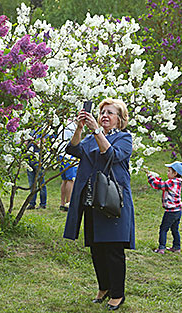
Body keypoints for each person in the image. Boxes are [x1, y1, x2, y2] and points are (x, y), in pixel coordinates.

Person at [63, 98, 135, 310]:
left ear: (119, 119)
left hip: (114, 201)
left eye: (110, 113)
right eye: (102, 112)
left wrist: (96, 131)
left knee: (113, 249)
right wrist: (79, 127)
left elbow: (112, 154)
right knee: (96, 248)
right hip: (92, 199)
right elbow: (74, 149)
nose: (104, 115)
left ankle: (118, 294)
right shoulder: (91, 138)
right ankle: (104, 287)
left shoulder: (124, 137)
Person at [146, 161, 182, 254]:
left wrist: (150, 177)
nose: (167, 173)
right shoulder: (177, 182)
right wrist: (157, 178)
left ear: (175, 173)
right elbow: (163, 183)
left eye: (169, 171)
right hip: (178, 211)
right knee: (175, 229)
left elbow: (158, 185)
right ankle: (177, 247)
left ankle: (161, 248)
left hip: (170, 212)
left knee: (163, 229)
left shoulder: (171, 183)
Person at [57, 121, 78, 212]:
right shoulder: (72, 126)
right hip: (69, 156)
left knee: (65, 180)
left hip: (60, 155)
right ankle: (68, 203)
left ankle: (62, 203)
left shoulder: (64, 124)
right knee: (70, 180)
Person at [26, 128, 47, 210]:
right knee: (31, 183)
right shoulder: (28, 129)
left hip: (38, 160)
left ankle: (43, 203)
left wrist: (33, 141)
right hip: (29, 159)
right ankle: (32, 203)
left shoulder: (43, 129)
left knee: (41, 183)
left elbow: (43, 142)